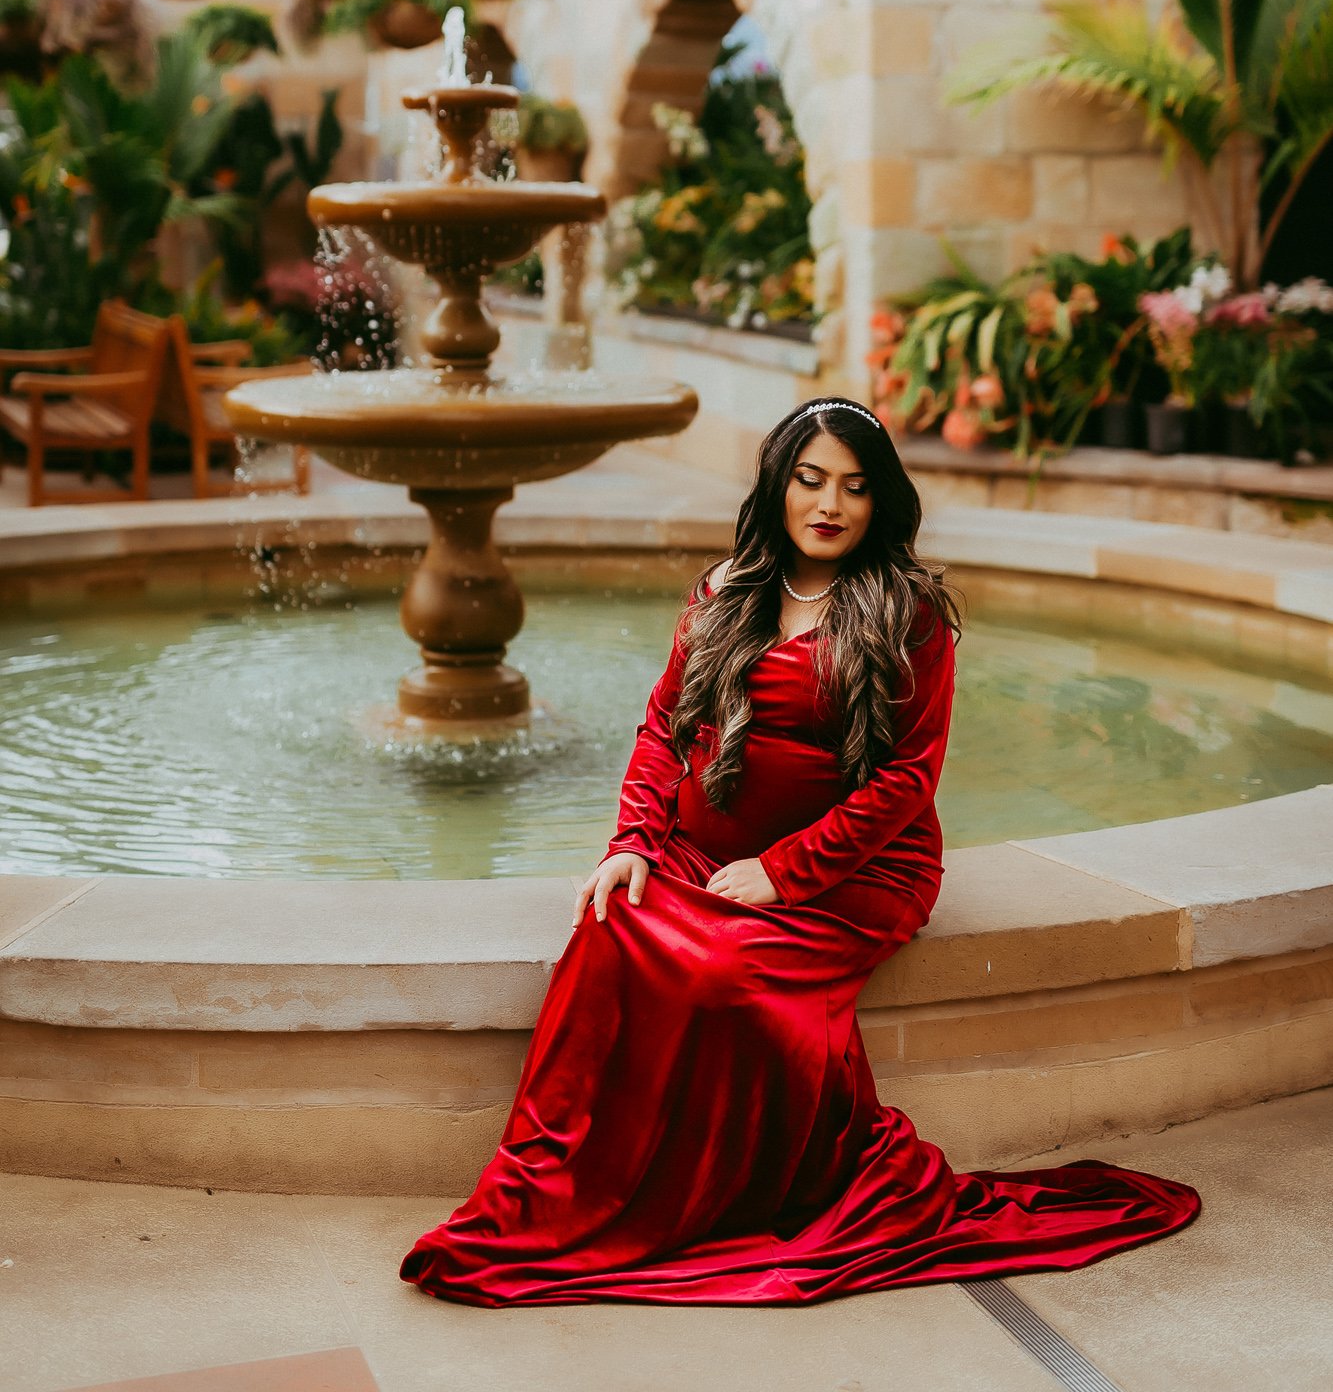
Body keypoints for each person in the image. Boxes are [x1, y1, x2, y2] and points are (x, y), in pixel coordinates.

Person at [401, 396, 1200, 1307]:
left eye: (854, 488)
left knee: (720, 974)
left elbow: (906, 779)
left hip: (860, 870)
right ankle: (565, 1201)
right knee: (606, 935)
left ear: (879, 501)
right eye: (810, 481)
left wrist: (784, 873)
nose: (829, 505)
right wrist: (632, 841)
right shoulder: (723, 591)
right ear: (778, 486)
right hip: (704, 856)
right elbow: (666, 724)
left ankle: (721, 1205)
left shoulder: (908, 612)